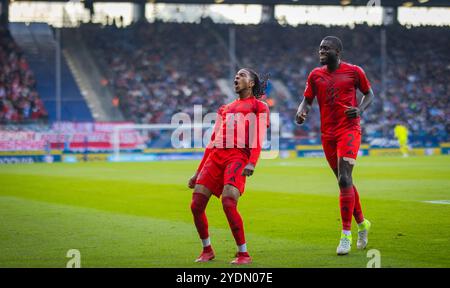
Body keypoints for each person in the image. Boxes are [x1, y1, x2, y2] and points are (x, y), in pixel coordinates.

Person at [295, 36, 374, 255]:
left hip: (349, 129)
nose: (321, 51)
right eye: (319, 48)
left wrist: (360, 109)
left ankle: (345, 235)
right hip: (327, 135)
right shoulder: (315, 75)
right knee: (344, 182)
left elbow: (369, 94)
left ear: (337, 52)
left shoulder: (354, 71)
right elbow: (307, 100)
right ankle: (362, 224)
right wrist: (302, 111)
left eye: (326, 48)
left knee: (344, 178)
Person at [188, 68, 270, 265]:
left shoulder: (259, 106)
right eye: (236, 75)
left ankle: (243, 253)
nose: (236, 77)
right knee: (196, 204)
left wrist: (252, 162)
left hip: (237, 156)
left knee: (228, 201)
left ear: (251, 84)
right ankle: (207, 250)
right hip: (215, 156)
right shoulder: (224, 108)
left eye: (242, 75)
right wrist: (197, 172)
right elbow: (213, 140)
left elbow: (258, 136)